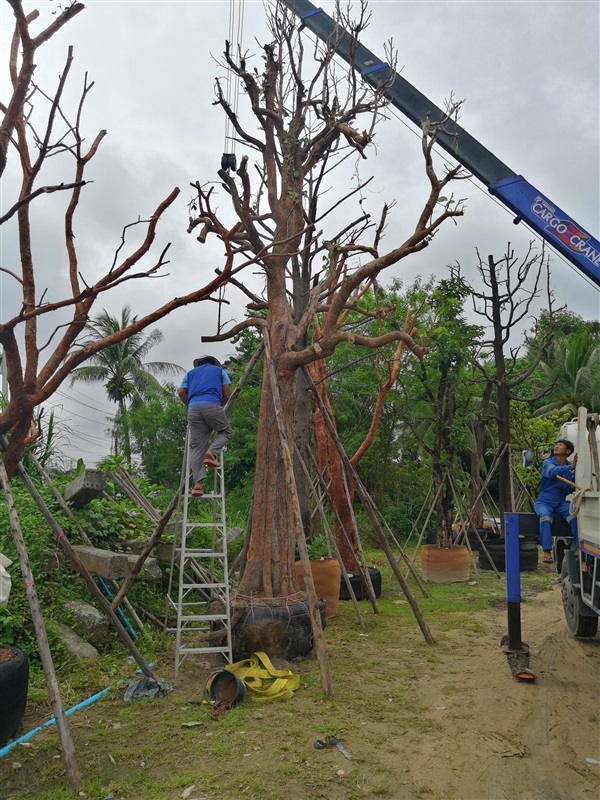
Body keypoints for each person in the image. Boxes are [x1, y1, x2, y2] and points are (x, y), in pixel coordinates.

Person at [178, 356, 233, 497]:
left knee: (196, 447)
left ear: (199, 364)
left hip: (193, 409)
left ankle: (198, 485)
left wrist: (190, 405)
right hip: (212, 405)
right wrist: (217, 406)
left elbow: (181, 392)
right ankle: (212, 452)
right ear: (213, 363)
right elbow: (227, 394)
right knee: (226, 431)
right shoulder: (219, 371)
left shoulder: (190, 374)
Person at [534, 439, 578, 563]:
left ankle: (577, 547)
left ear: (568, 451)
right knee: (545, 517)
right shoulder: (548, 462)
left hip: (561, 502)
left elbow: (571, 488)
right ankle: (547, 552)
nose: (556, 446)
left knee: (574, 516)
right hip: (544, 501)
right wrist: (571, 467)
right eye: (556, 444)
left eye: (560, 445)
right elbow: (552, 472)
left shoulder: (571, 468)